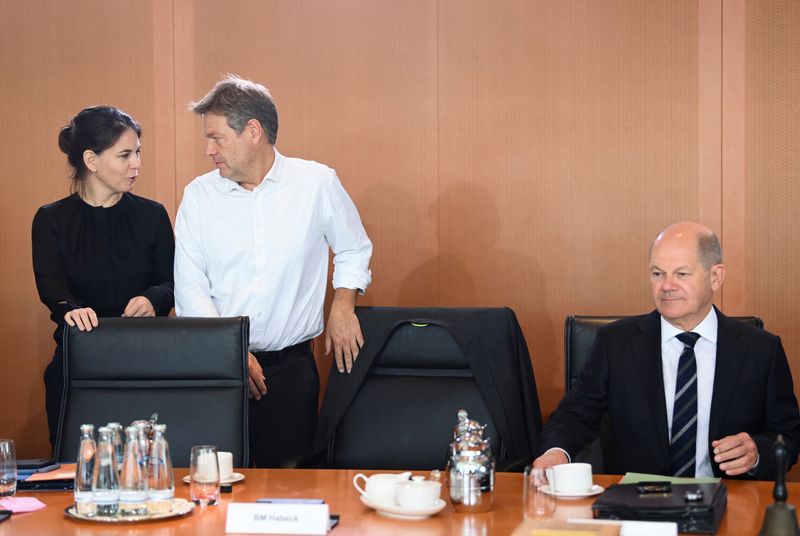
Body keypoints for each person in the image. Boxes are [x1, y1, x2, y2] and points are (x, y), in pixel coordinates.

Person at [175, 75, 372, 468]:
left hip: (292, 372)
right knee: (217, 491)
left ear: (252, 131)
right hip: (219, 372)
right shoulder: (199, 196)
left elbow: (353, 247)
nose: (208, 150)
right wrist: (230, 351)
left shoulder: (315, 183)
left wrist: (343, 304)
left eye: (216, 138)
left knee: (289, 491)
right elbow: (190, 289)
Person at [534, 221, 800, 479]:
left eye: (681, 274)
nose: (667, 286)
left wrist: (756, 453)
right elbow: (575, 415)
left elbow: (789, 436)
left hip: (730, 502)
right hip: (638, 504)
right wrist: (555, 454)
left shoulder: (761, 349)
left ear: (715, 277)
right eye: (657, 273)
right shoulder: (615, 343)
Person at [32, 106, 175, 446]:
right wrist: (71, 308)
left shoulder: (152, 216)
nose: (137, 163)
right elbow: (52, 287)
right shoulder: (51, 220)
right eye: (125, 155)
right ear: (91, 161)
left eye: (138, 152)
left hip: (146, 364)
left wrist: (153, 299)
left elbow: (173, 283)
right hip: (80, 365)